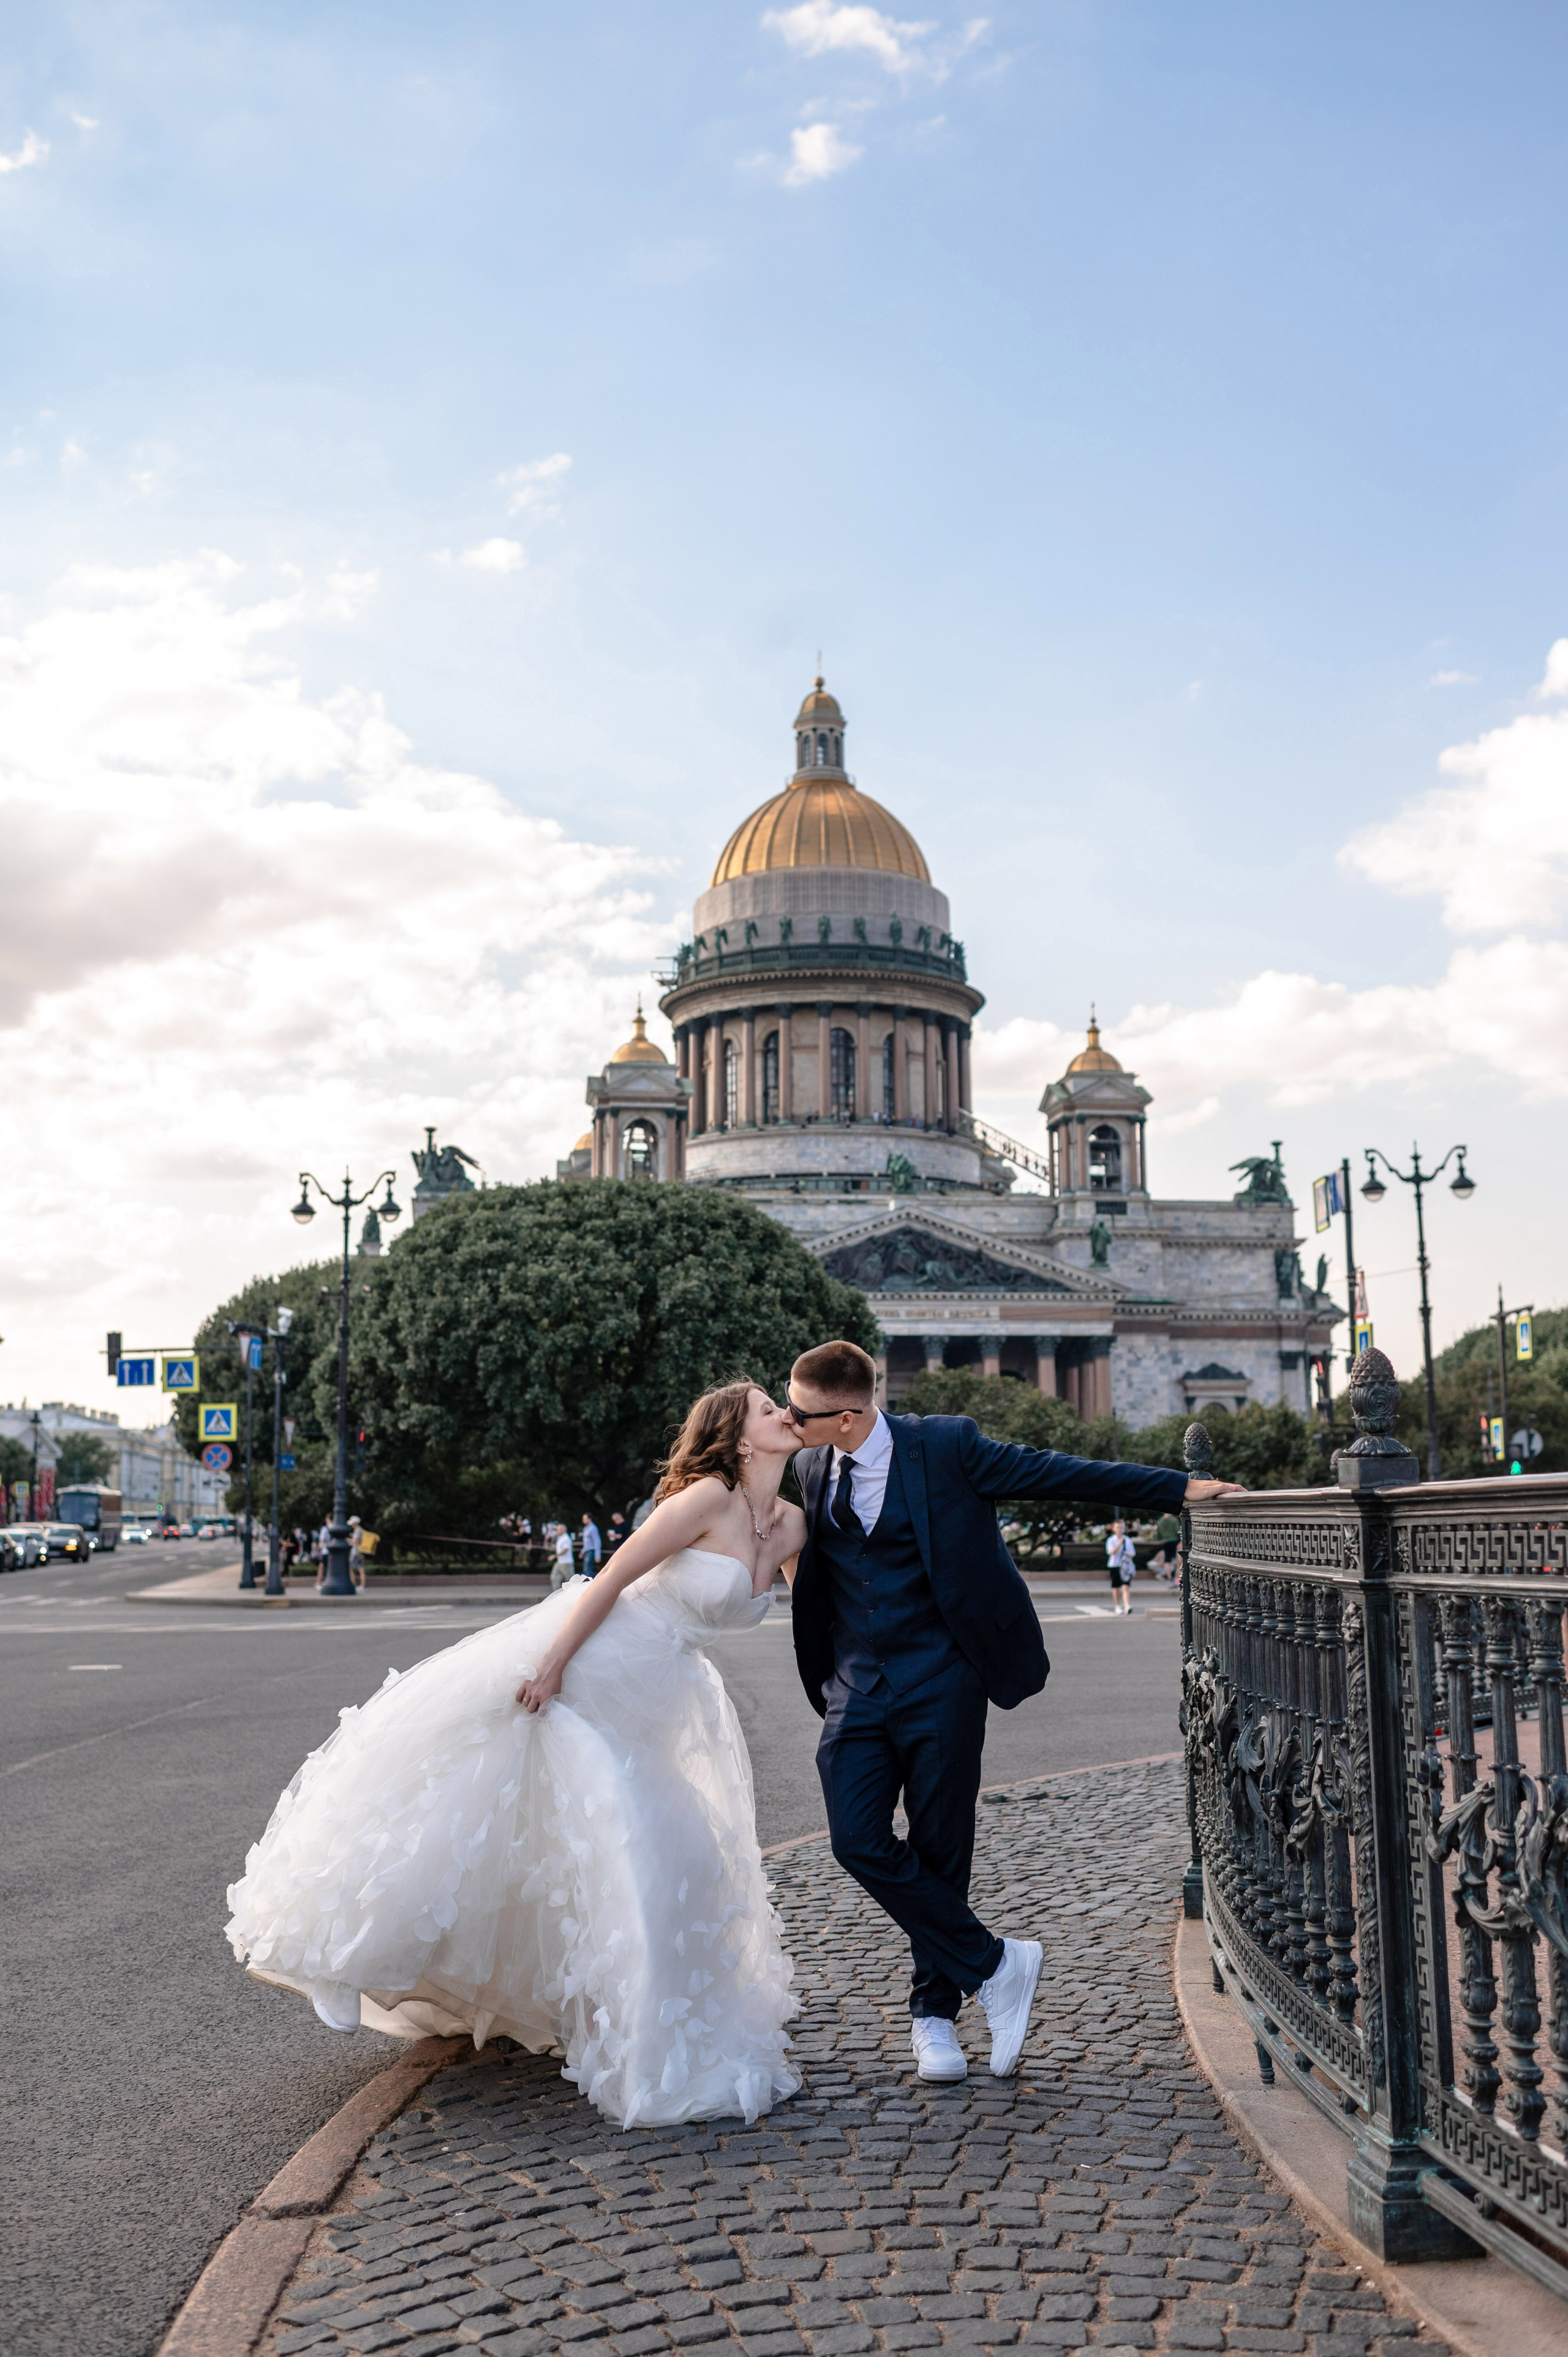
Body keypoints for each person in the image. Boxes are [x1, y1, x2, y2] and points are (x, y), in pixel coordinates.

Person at [227, 1380, 808, 2129]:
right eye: (767, 1407)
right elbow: (613, 1577)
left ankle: (634, 2016)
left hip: (666, 1691)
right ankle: (343, 1959)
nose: (783, 1412)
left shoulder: (791, 1524)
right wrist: (553, 1664)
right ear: (738, 1439)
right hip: (602, 1658)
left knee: (645, 1848)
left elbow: (817, 1617)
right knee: (474, 1796)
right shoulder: (707, 1497)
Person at [785, 1339, 1244, 2086]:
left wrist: (1180, 1489)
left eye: (798, 1412)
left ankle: (933, 2014)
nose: (786, 1420)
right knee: (855, 1839)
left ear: (846, 1416)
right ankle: (997, 1962)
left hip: (942, 1679)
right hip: (857, 1688)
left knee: (940, 1845)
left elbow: (1058, 1470)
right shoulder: (810, 1464)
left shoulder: (946, 1446)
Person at [1106, 1518, 1137, 1615]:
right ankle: (1118, 1606)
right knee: (1116, 1587)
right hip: (1115, 1565)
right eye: (1118, 1527)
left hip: (1125, 1566)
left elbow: (1132, 1554)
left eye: (1122, 1528)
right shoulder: (1111, 1540)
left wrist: (1126, 1553)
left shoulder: (1127, 1540)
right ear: (1114, 1529)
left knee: (1125, 1586)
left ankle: (1127, 1606)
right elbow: (1111, 1552)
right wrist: (1119, 1544)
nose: (1120, 1529)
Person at [1152, 1510, 1181, 1582]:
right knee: (1177, 1559)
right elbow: (1178, 1531)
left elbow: (1158, 1534)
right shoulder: (1174, 1520)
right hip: (1175, 1541)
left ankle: (1169, 1577)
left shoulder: (1160, 1521)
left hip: (1165, 1541)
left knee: (1167, 1560)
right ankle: (1177, 1578)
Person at [551, 1523, 576, 1590]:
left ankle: (574, 1593)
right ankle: (557, 1593)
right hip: (560, 1562)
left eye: (558, 1530)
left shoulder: (566, 1539)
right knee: (554, 1578)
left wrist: (555, 1556)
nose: (557, 1531)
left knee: (571, 1580)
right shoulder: (561, 1538)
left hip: (566, 1563)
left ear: (563, 1530)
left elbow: (565, 1551)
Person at [579, 1513, 603, 1577]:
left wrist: (598, 1555)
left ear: (589, 1519)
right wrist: (582, 1552)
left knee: (588, 1571)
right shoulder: (586, 1529)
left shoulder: (593, 1528)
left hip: (591, 1551)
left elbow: (597, 1541)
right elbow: (586, 1543)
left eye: (585, 1519)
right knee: (586, 1570)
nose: (583, 1520)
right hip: (587, 1551)